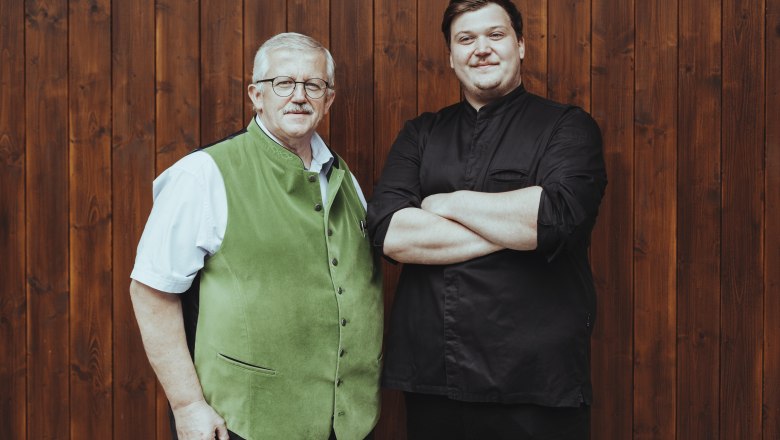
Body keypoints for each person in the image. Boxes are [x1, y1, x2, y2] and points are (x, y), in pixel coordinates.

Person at [367, 1, 607, 438]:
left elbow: (554, 219)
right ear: (451, 56)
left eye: (495, 35)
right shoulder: (420, 133)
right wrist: (514, 225)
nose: (481, 49)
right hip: (435, 377)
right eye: (466, 39)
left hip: (538, 382)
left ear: (520, 45)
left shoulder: (567, 128)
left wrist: (444, 202)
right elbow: (391, 234)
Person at [130, 32, 382, 440]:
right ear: (256, 95)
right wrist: (188, 406)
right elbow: (151, 291)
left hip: (350, 422)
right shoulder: (203, 174)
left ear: (329, 99)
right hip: (246, 423)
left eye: (313, 85)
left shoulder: (343, 176)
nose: (299, 96)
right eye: (283, 83)